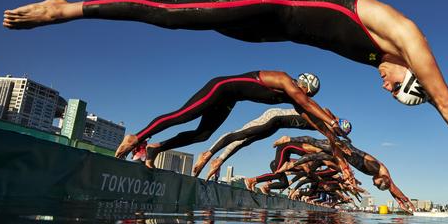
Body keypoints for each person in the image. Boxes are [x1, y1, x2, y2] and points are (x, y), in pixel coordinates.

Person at [3, 0, 448, 193]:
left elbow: (437, 104)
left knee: (184, 9)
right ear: (413, 73)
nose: (384, 85)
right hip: (271, 3)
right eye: (396, 87)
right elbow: (445, 99)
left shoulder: (395, 63)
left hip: (268, 33)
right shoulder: (406, 37)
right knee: (176, 19)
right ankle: (67, 10)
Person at [107, 70, 352, 186]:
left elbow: (321, 128)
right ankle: (136, 137)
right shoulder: (285, 80)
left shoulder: (296, 101)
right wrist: (332, 120)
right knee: (183, 116)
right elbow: (309, 105)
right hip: (221, 88)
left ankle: (155, 149)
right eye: (305, 92)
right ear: (303, 85)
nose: (303, 95)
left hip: (230, 101)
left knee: (202, 135)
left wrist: (341, 159)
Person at [192, 107, 352, 178]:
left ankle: (219, 160)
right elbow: (328, 113)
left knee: (245, 142)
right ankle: (209, 153)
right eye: (338, 128)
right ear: (337, 121)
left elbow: (333, 144)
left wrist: (344, 165)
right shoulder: (326, 115)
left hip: (276, 125)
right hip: (274, 116)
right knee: (242, 134)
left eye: (339, 133)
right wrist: (335, 126)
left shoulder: (328, 129)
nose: (336, 132)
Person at [276, 136, 416, 213]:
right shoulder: (375, 167)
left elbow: (392, 187)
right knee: (315, 143)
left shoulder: (384, 176)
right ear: (382, 179)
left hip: (343, 156)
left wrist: (402, 201)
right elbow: (356, 155)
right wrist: (346, 168)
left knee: (317, 155)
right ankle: (288, 140)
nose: (373, 183)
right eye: (376, 183)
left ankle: (291, 164)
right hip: (343, 148)